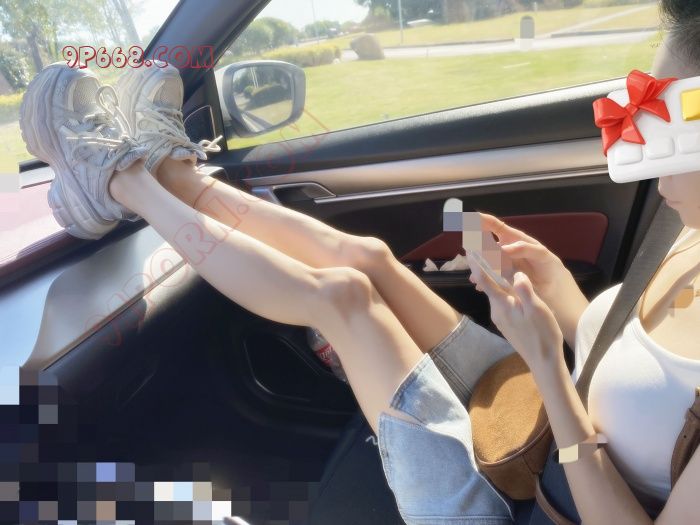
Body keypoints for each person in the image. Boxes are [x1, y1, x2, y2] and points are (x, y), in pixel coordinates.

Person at [18, 1, 699, 521]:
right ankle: (178, 177)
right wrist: (558, 293)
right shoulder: (689, 230)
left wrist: (548, 364)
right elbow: (624, 354)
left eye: (669, 130)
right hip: (543, 410)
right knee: (369, 258)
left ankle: (120, 182)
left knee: (341, 298)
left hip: (529, 501)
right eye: (644, 116)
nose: (639, 152)